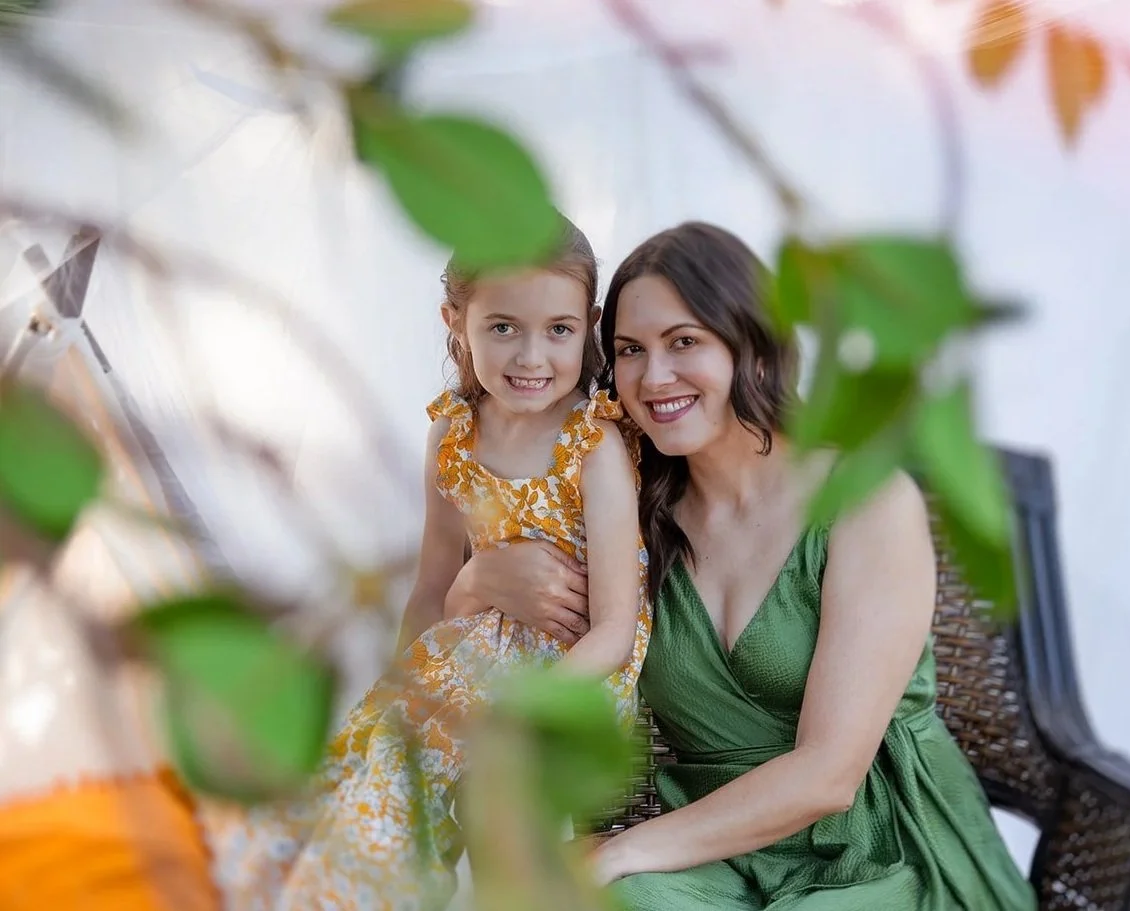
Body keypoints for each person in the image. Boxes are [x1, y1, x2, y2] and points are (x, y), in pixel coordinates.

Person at [445, 222, 1037, 909]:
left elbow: (829, 775)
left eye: (684, 341)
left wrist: (621, 850)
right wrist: (477, 579)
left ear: (752, 342)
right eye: (631, 350)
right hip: (710, 848)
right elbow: (486, 640)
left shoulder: (865, 500)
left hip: (882, 845)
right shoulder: (626, 506)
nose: (653, 376)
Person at [211, 216, 652, 911]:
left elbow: (615, 630)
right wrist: (398, 694)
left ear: (588, 324)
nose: (532, 357)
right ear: (456, 319)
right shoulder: (452, 433)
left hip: (570, 674)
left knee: (491, 782)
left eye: (559, 330)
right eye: (503, 327)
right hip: (471, 648)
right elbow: (434, 586)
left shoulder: (590, 445)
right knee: (370, 772)